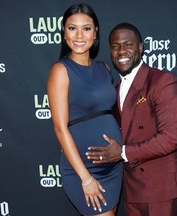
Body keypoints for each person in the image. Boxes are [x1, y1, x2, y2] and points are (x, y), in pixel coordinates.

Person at [86, 23, 177, 216]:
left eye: (128, 44)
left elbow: (170, 138)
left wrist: (122, 152)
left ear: (141, 47)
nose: (121, 51)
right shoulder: (114, 90)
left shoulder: (163, 81)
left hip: (160, 188)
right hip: (131, 187)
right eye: (115, 46)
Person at [47, 3, 123, 216]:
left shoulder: (104, 68)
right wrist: (86, 178)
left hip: (113, 165)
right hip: (84, 170)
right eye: (72, 28)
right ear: (64, 32)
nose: (79, 35)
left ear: (95, 32)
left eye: (86, 28)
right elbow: (60, 128)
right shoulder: (61, 70)